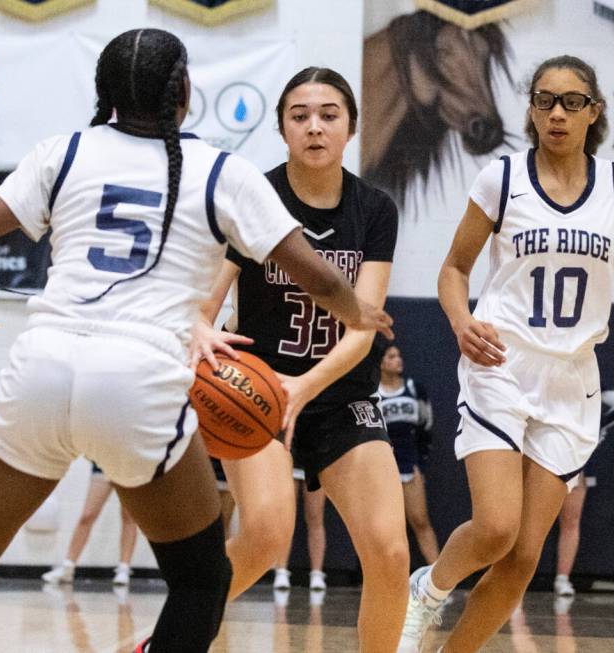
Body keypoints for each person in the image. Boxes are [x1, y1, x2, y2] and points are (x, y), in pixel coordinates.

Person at [0, 29, 392, 653]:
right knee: (202, 585)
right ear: (184, 91)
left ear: (107, 92)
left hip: (40, 369)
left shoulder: (63, 152)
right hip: (136, 381)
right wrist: (362, 314)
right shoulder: (221, 170)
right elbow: (318, 277)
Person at [398, 55, 614, 653]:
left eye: (571, 101)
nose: (556, 113)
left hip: (571, 381)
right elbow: (453, 271)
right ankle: (428, 591)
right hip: (500, 367)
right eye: (544, 100)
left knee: (521, 558)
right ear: (531, 110)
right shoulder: (502, 179)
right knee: (494, 527)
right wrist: (461, 323)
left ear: (594, 112)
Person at [194, 66, 409, 652]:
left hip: (339, 395)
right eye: (300, 116)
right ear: (283, 129)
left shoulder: (375, 210)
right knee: (264, 536)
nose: (315, 127)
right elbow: (206, 304)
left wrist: (305, 388)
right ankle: (171, 638)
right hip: (260, 392)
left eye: (329, 115)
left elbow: (363, 329)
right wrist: (202, 340)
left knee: (391, 553)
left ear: (351, 128)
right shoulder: (253, 198)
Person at [554, 387, 614, 597]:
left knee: (571, 521)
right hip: (545, 461)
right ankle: (515, 579)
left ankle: (562, 579)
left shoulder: (594, 387)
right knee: (530, 524)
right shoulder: (551, 381)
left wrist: (599, 424)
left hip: (575, 467)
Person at [378, 343, 440, 565]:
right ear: (381, 362)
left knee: (420, 521)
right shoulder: (374, 394)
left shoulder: (414, 390)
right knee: (386, 527)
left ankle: (438, 582)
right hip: (383, 469)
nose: (398, 360)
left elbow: (426, 428)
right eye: (392, 356)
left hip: (409, 465)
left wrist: (420, 465)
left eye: (399, 355)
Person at [41, 462, 138, 586]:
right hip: (104, 463)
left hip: (131, 466)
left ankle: (124, 569)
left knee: (129, 518)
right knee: (87, 515)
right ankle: (68, 568)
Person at [272, 467, 328, 592]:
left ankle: (317, 573)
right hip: (291, 458)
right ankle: (281, 570)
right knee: (286, 516)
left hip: (315, 460)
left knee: (315, 516)